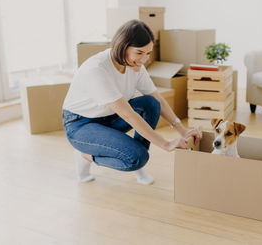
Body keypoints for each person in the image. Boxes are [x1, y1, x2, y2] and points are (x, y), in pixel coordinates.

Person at [62, 20, 202, 185]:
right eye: (139, 53)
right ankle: (84, 155)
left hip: (109, 116)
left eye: (148, 53)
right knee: (136, 158)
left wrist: (182, 131)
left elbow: (158, 100)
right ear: (122, 47)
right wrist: (166, 144)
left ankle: (135, 155)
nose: (144, 59)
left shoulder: (135, 66)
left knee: (151, 104)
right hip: (81, 125)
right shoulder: (97, 70)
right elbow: (128, 114)